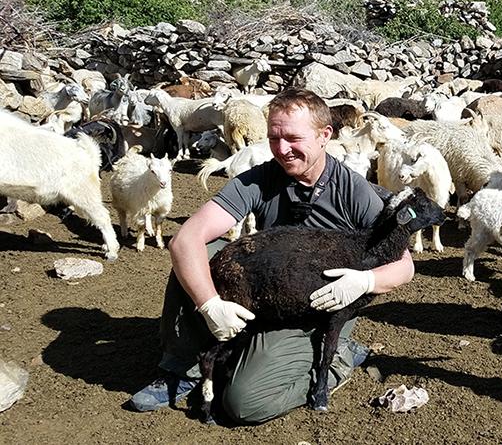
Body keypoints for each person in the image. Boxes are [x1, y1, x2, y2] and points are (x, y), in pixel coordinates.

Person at [128, 88, 414, 423]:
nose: (281, 149)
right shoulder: (262, 179)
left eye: (293, 138)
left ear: (325, 136)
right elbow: (186, 239)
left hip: (319, 306)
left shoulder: (354, 191)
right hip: (268, 289)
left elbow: (404, 266)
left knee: (243, 403)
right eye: (274, 138)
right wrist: (210, 305)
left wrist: (365, 280)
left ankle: (339, 358)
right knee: (200, 253)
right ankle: (182, 369)